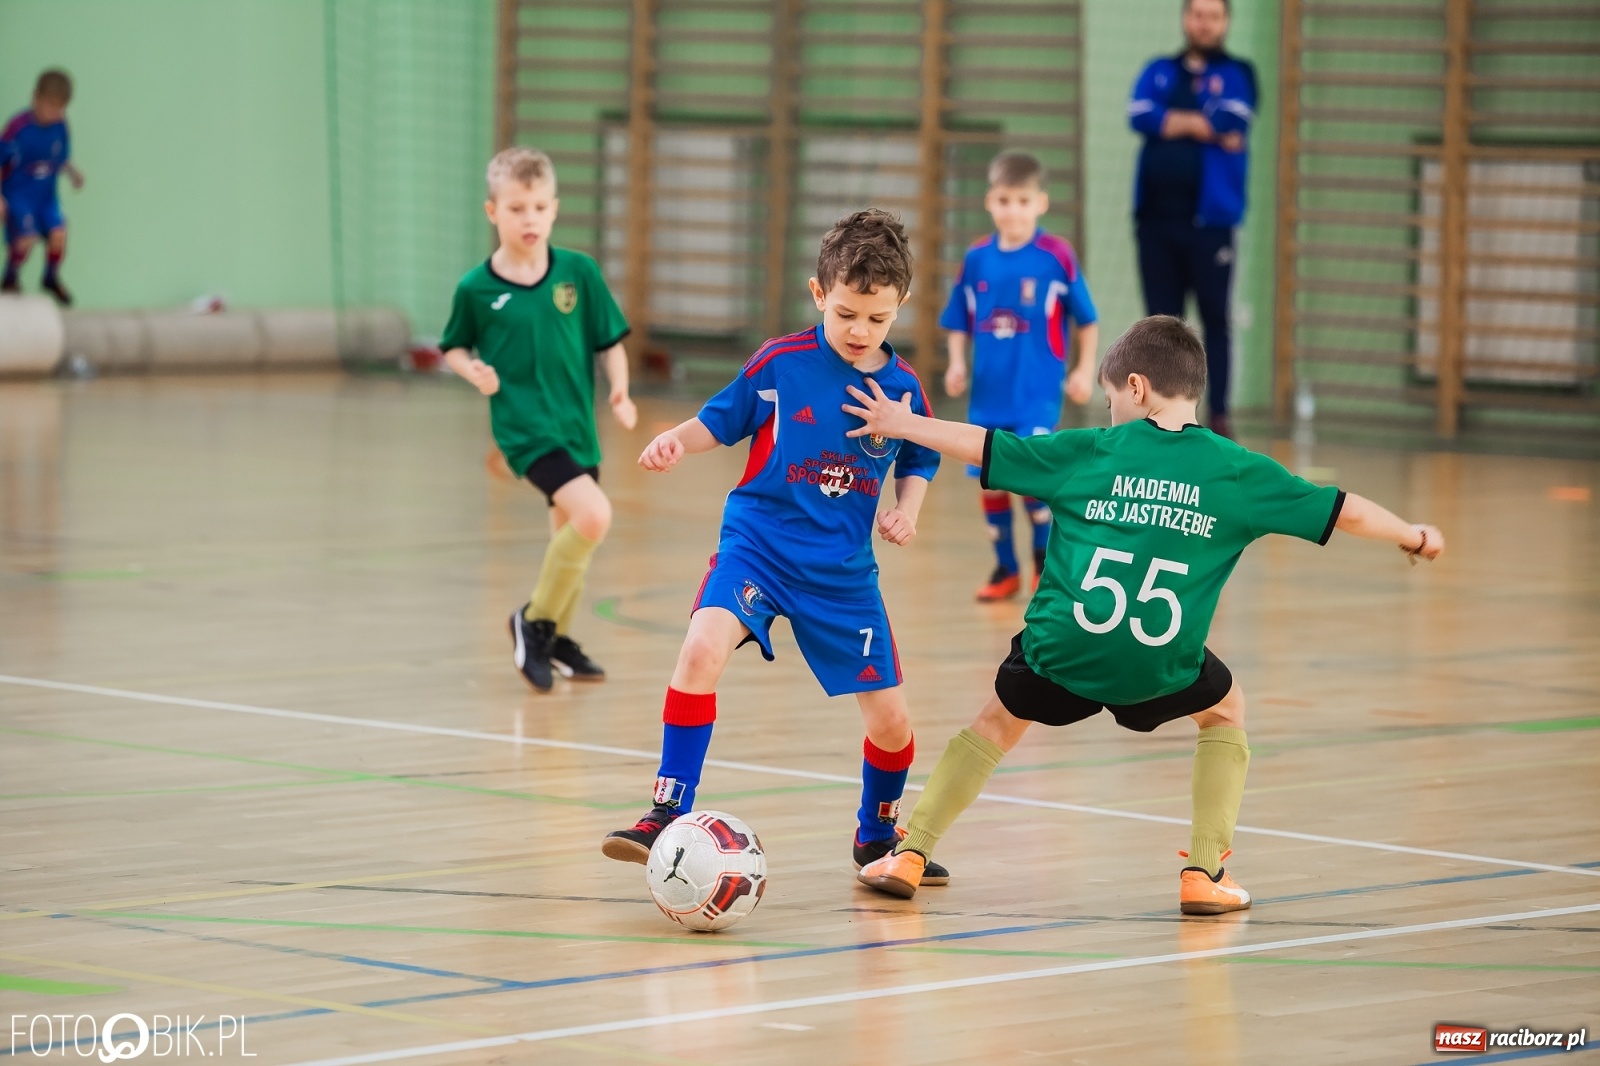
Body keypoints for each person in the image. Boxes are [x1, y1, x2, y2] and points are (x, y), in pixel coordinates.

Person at [849, 316, 1445, 912]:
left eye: (1110, 401)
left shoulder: (1091, 451)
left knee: (997, 722)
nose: (1109, 413)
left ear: (1135, 389)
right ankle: (1204, 873)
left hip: (1063, 649)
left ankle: (911, 851)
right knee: (1225, 712)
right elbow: (1343, 511)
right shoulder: (1236, 470)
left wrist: (903, 423)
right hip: (1159, 665)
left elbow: (983, 444)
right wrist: (1412, 535)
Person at [600, 209, 952, 885]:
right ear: (819, 294)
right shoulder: (780, 363)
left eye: (877, 320)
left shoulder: (903, 389)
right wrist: (678, 438)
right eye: (846, 313)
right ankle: (664, 814)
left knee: (892, 721)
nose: (859, 331)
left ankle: (876, 835)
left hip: (842, 573)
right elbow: (721, 419)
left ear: (900, 306)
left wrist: (907, 510)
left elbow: (921, 456)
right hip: (758, 545)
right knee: (700, 649)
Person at [441, 147, 636, 692]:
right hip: (525, 430)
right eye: (516, 208)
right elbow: (453, 346)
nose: (529, 219)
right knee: (594, 517)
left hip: (577, 425)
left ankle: (559, 637)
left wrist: (620, 392)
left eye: (538, 207)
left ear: (554, 209)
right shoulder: (475, 289)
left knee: (569, 537)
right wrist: (470, 369)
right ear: (492, 212)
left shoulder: (579, 273)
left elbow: (610, 342)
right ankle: (531, 622)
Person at [942, 151, 1099, 602]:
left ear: (1041, 203)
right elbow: (958, 321)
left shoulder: (1056, 257)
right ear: (990, 201)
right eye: (1005, 200)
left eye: (1023, 201)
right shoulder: (976, 259)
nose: (1014, 210)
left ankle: (1041, 569)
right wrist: (957, 363)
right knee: (991, 481)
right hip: (988, 396)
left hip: (1036, 395)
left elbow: (1086, 321)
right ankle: (1005, 569)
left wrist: (1084, 369)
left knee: (1030, 478)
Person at [1128, 0, 1256, 438]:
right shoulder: (1159, 69)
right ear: (1186, 19)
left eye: (1213, 16)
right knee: (1161, 324)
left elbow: (1233, 118)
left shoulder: (1240, 74)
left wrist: (1171, 121)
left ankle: (1217, 418)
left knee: (1214, 321)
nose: (1204, 23)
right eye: (1197, 14)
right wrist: (1202, 124)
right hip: (1155, 223)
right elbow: (1138, 114)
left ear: (1225, 22)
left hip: (1210, 225)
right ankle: (1160, 418)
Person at [1, 70, 84, 305]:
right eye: (49, 107)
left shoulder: (61, 127)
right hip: (19, 195)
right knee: (26, 237)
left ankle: (50, 277)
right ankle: (9, 278)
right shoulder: (17, 129)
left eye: (59, 109)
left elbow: (61, 156)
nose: (53, 114)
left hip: (46, 195)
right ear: (35, 98)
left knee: (59, 234)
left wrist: (72, 172)